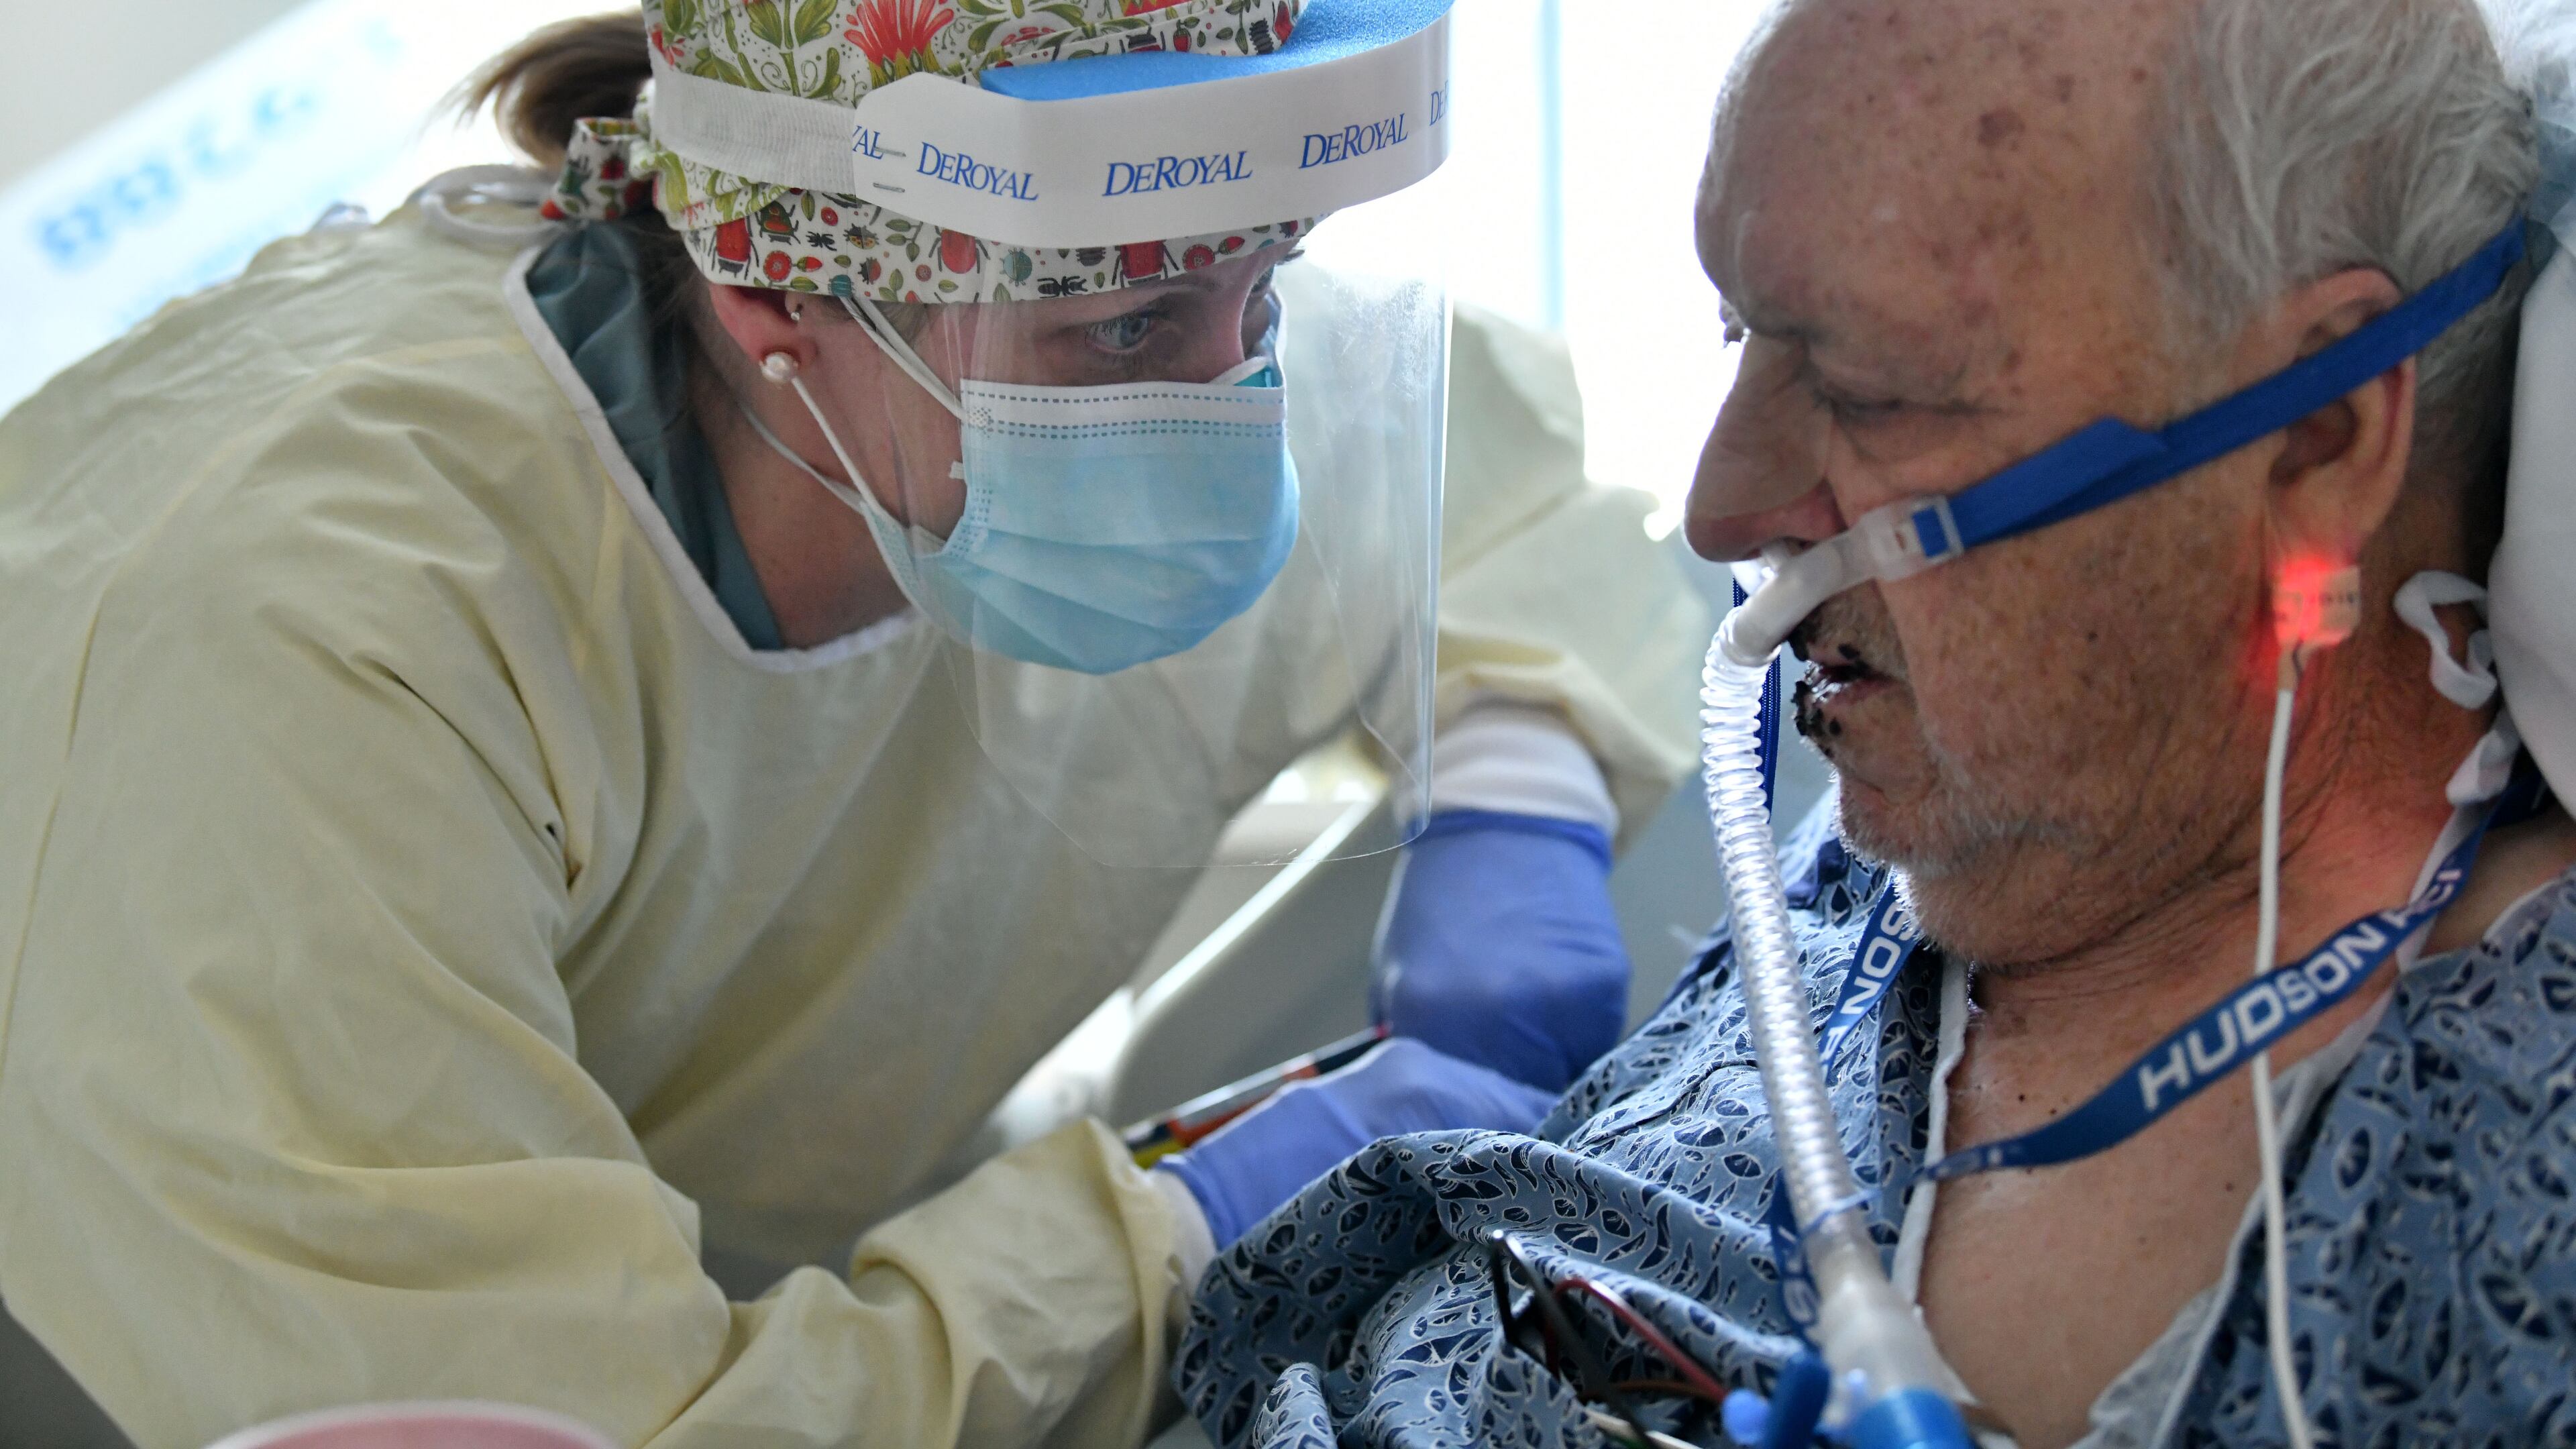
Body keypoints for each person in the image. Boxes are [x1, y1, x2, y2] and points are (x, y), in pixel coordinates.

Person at [0, 3, 1713, 1446]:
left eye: (1269, 280)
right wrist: (1173, 1230)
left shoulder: (1032, 338)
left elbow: (1493, 496)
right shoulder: (316, 648)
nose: (1232, 400)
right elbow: (565, 1415)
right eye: (1129, 327)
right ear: (773, 301)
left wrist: (1516, 795)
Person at [1175, 0, 2576, 1446]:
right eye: (1738, 334)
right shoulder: (1880, 881)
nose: (1725, 502)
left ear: (2319, 432)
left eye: (1867, 389)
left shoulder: (2508, 1185)